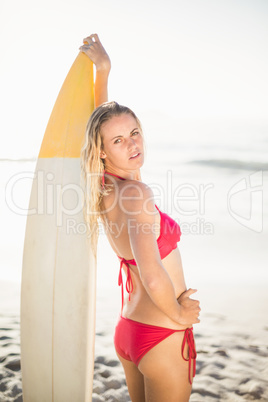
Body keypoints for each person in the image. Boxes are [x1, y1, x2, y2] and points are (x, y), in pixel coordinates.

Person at [80, 34, 201, 402]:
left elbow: (99, 125)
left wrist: (103, 72)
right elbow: (152, 273)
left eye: (135, 133)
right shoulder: (136, 194)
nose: (132, 144)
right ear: (103, 152)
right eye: (119, 141)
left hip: (130, 329)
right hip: (161, 331)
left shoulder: (103, 187)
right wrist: (180, 315)